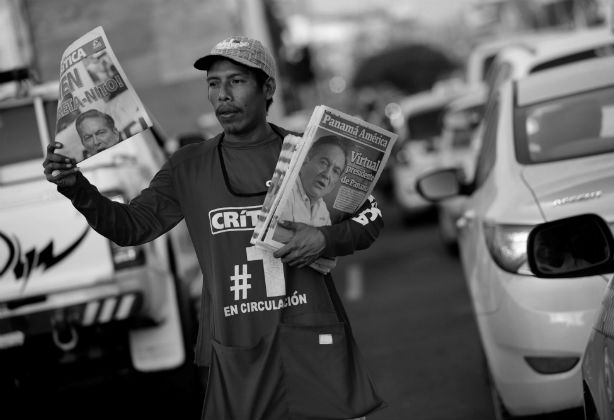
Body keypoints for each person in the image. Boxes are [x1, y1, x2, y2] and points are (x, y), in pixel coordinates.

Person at [43, 36, 385, 419]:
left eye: (236, 81)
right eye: (213, 83)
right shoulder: (187, 167)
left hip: (312, 338)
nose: (222, 94)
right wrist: (78, 190)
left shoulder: (309, 155)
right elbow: (131, 228)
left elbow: (370, 217)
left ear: (267, 88)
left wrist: (324, 237)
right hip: (238, 349)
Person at [273, 135, 347, 243]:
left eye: (335, 171)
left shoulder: (323, 211)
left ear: (335, 183)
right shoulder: (284, 190)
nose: (327, 175)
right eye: (324, 163)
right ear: (305, 160)